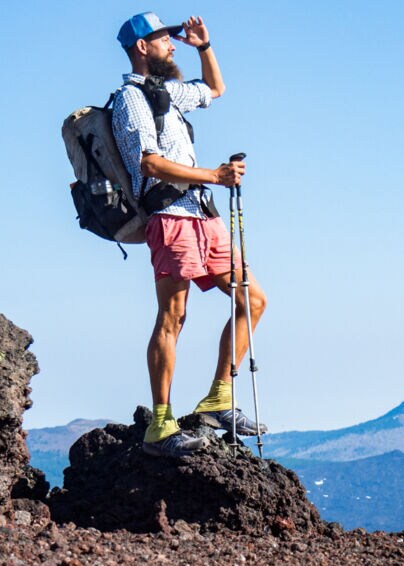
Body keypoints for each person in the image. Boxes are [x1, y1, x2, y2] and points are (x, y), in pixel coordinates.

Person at [112, 12, 267, 456]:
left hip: (202, 214)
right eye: (163, 38)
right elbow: (150, 164)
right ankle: (160, 425)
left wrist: (204, 46)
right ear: (142, 46)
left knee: (253, 300)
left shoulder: (167, 92)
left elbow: (215, 89)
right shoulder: (131, 99)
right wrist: (215, 176)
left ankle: (218, 399)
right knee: (173, 317)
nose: (171, 44)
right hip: (171, 216)